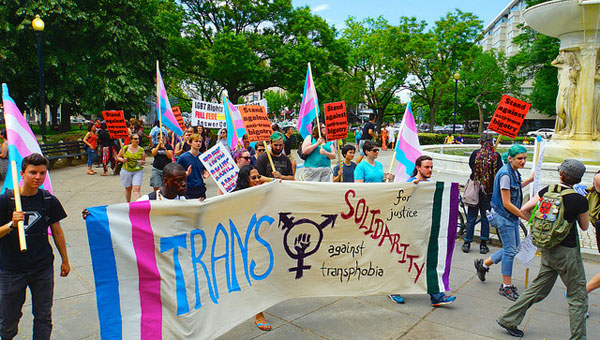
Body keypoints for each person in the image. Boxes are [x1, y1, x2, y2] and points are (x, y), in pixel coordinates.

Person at [496, 159, 589, 339]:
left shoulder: (547, 191)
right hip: (567, 253)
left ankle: (509, 318)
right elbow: (584, 227)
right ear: (578, 179)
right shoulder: (579, 199)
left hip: (548, 248)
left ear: (561, 174)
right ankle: (578, 337)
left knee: (538, 288)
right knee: (577, 296)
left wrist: (539, 226)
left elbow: (525, 209)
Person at [0, 153, 70, 340]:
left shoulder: (48, 200)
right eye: (32, 172)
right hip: (11, 270)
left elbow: (57, 232)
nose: (38, 177)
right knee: (8, 318)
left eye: (42, 173)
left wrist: (65, 260)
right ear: (22, 174)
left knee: (43, 316)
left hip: (42, 267)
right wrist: (11, 225)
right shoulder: (6, 200)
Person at [388, 155, 456, 306]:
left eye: (431, 167)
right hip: (408, 232)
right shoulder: (410, 183)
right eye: (427, 167)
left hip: (425, 231)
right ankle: (393, 289)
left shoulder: (430, 185)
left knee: (429, 261)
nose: (430, 170)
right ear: (418, 168)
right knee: (403, 260)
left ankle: (436, 296)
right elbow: (398, 202)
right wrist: (411, 187)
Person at [475, 145, 534, 301]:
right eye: (519, 158)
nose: (523, 161)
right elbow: (507, 203)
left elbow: (514, 189)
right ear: (510, 158)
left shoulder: (513, 172)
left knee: (513, 249)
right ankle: (506, 287)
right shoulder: (506, 174)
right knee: (509, 251)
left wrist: (530, 180)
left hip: (510, 217)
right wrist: (526, 217)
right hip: (504, 217)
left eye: (525, 158)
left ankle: (484, 265)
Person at [232, 164, 271, 331]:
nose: (257, 180)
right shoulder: (234, 196)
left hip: (259, 240)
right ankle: (253, 310)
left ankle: (258, 312)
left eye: (258, 177)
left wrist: (267, 179)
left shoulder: (263, 190)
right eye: (253, 178)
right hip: (240, 242)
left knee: (257, 277)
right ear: (244, 179)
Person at [462, 135, 503, 254]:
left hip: (475, 190)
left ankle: (467, 242)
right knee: (486, 218)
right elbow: (499, 171)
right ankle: (483, 244)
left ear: (481, 142)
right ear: (491, 142)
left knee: (471, 217)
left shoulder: (475, 154)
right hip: (488, 191)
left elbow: (471, 166)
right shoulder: (496, 156)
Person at [177, 134, 209, 199]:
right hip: (187, 188)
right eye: (196, 141)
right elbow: (176, 172)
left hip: (200, 187)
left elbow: (204, 170)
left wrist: (206, 173)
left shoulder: (203, 157)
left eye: (200, 141)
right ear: (190, 143)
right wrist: (186, 173)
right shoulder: (183, 157)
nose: (198, 143)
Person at [116, 133, 145, 202]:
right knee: (128, 188)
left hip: (137, 170)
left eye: (138, 139)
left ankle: (137, 206)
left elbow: (143, 160)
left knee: (136, 189)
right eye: (135, 139)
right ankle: (128, 204)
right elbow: (118, 157)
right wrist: (123, 160)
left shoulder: (141, 149)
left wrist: (142, 162)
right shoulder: (125, 148)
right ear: (131, 140)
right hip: (126, 170)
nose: (137, 140)